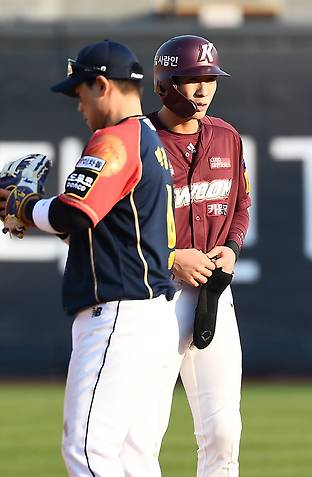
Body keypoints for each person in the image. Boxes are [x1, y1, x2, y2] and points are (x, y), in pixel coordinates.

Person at [0, 40, 180, 476]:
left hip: (119, 316)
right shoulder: (150, 140)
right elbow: (107, 234)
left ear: (101, 85)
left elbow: (73, 212)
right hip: (151, 317)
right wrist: (35, 213)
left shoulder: (115, 140)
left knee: (87, 449)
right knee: (133, 459)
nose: (79, 105)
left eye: (80, 93)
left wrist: (22, 204)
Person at [147, 35, 251, 477]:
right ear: (165, 83)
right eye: (192, 79)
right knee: (145, 428)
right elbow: (115, 226)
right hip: (152, 296)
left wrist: (231, 246)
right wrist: (171, 257)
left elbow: (241, 203)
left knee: (224, 430)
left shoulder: (226, 136)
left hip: (212, 292)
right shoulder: (137, 140)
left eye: (210, 78)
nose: (203, 89)